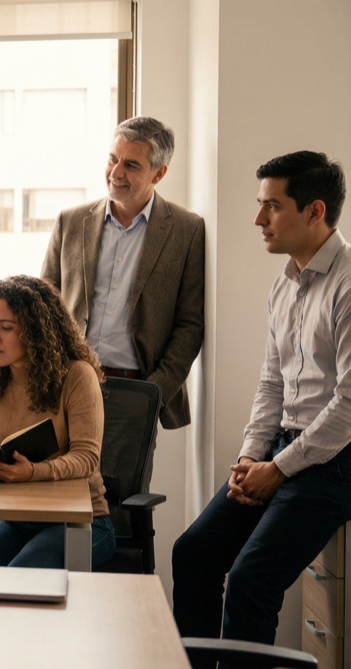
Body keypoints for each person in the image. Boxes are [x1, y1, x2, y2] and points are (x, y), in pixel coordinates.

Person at [173, 151, 350, 645]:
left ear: (315, 211)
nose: (258, 219)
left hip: (335, 461)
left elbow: (349, 404)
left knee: (251, 582)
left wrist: (280, 468)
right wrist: (252, 457)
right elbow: (273, 382)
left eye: (272, 206)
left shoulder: (348, 284)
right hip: (280, 450)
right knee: (193, 553)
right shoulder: (283, 285)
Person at [42, 116, 205, 430]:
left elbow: (190, 325)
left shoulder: (187, 230)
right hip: (67, 383)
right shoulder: (70, 221)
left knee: (123, 467)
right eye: (112, 159)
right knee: (59, 465)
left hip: (135, 391)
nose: (116, 173)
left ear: (159, 173)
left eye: (130, 165)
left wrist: (153, 393)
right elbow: (43, 305)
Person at [0, 275, 114, 569]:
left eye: (6, 327)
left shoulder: (77, 376)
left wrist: (34, 472)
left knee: (22, 577)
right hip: (12, 516)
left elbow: (87, 458)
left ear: (36, 332)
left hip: (80, 521)